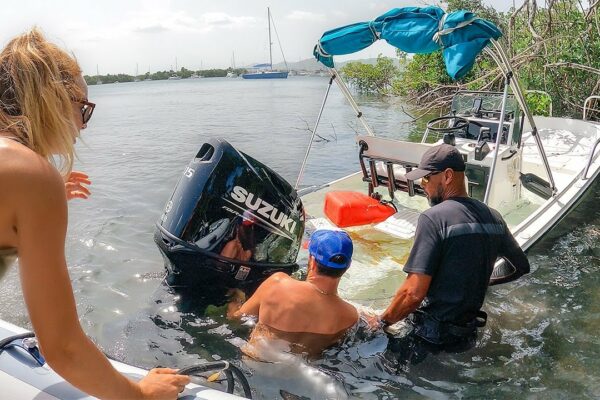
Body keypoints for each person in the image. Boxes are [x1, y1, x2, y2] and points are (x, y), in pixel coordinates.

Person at [0, 29, 189, 399]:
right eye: (83, 107)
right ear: (51, 99)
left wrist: (32, 210)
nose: (84, 124)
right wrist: (143, 394)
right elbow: (63, 347)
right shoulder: (28, 173)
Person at [380, 144, 530, 361]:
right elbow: (520, 266)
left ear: (447, 176)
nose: (424, 186)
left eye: (426, 179)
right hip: (467, 335)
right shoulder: (494, 217)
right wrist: (480, 280)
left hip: (429, 338)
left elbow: (412, 294)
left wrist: (382, 322)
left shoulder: (433, 219)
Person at [230, 229, 359, 358]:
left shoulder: (277, 284)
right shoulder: (349, 316)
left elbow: (236, 318)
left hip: (253, 364)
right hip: (294, 375)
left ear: (312, 261)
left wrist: (235, 294)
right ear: (348, 266)